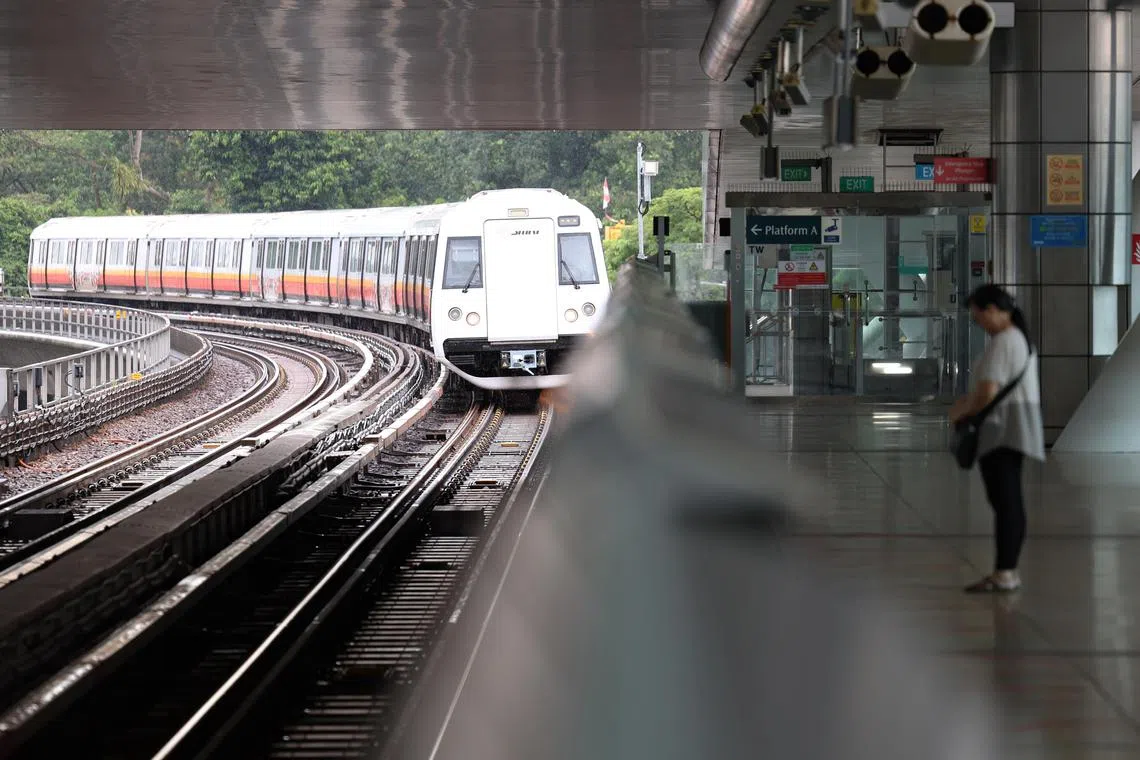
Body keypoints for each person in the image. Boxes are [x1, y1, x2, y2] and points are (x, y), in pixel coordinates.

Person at [949, 284, 1045, 593]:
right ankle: (1006, 570)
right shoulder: (1018, 339)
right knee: (1007, 500)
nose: (979, 324)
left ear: (992, 309)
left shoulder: (1005, 341)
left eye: (978, 317)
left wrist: (962, 411)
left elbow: (988, 391)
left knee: (1006, 501)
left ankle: (1006, 572)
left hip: (1002, 427)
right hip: (1014, 424)